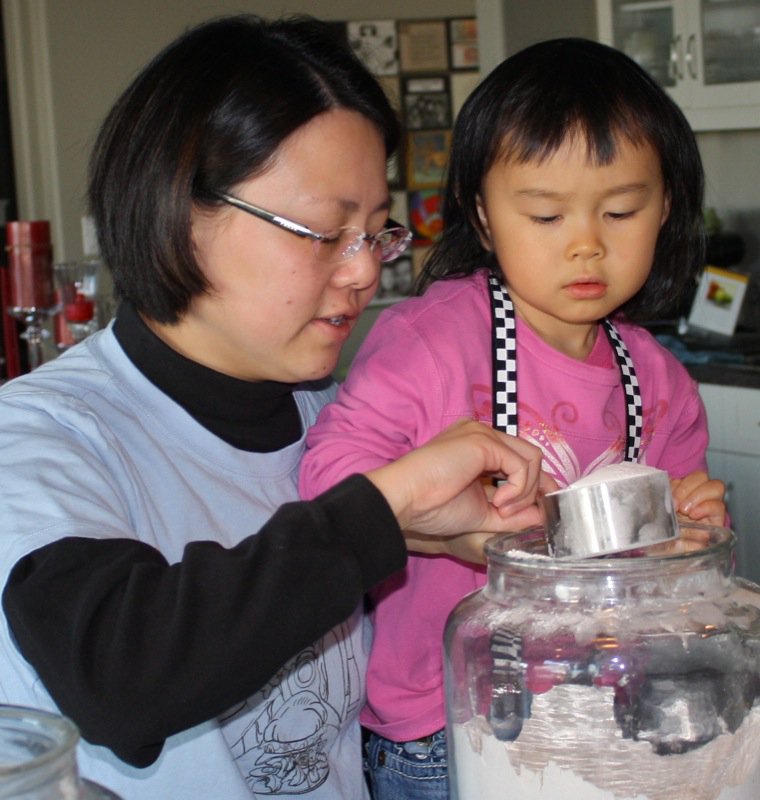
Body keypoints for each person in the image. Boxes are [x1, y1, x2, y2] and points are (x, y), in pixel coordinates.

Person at [0, 16, 550, 800]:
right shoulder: (41, 433)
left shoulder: (336, 421)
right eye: (324, 233)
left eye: (376, 234)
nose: (364, 272)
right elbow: (120, 676)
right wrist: (381, 511)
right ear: (180, 212)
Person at [299, 37, 727, 800]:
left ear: (666, 207)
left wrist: (688, 530)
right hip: (441, 722)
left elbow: (670, 562)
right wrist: (430, 513)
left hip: (601, 714)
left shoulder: (660, 380)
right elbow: (329, 480)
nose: (587, 243)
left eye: (621, 210)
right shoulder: (430, 343)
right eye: (546, 214)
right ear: (485, 216)